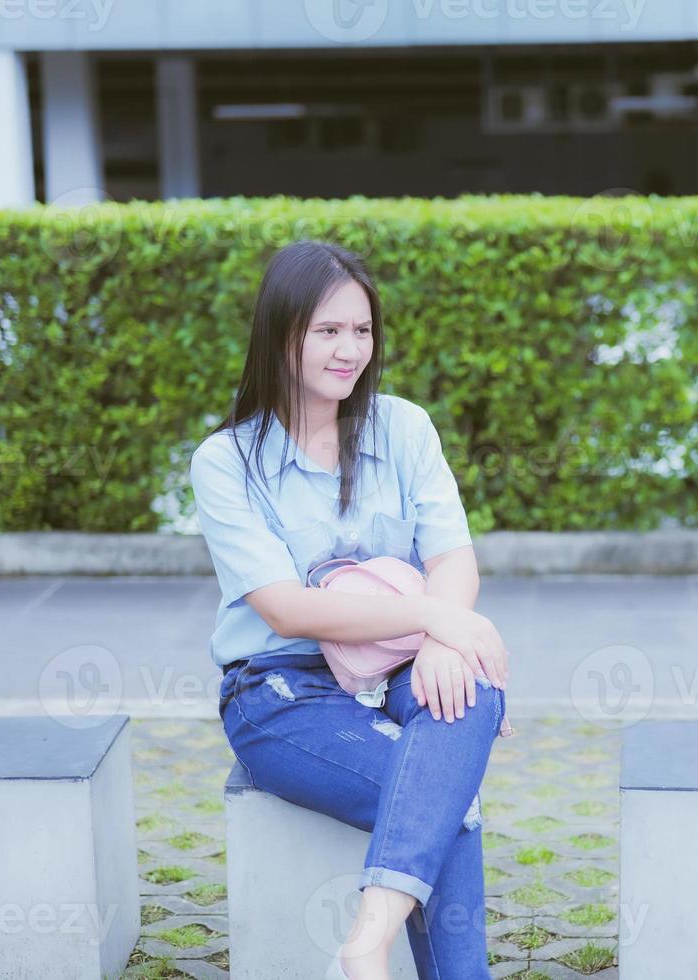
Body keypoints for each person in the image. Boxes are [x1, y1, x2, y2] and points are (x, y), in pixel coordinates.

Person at [189, 239, 511, 980]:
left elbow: (453, 557)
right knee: (444, 803)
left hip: (398, 658)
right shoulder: (226, 462)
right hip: (281, 690)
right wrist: (435, 619)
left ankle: (364, 944)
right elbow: (288, 609)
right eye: (328, 330)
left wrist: (441, 638)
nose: (349, 349)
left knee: (475, 690)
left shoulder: (403, 427)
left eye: (361, 330)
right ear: (282, 332)